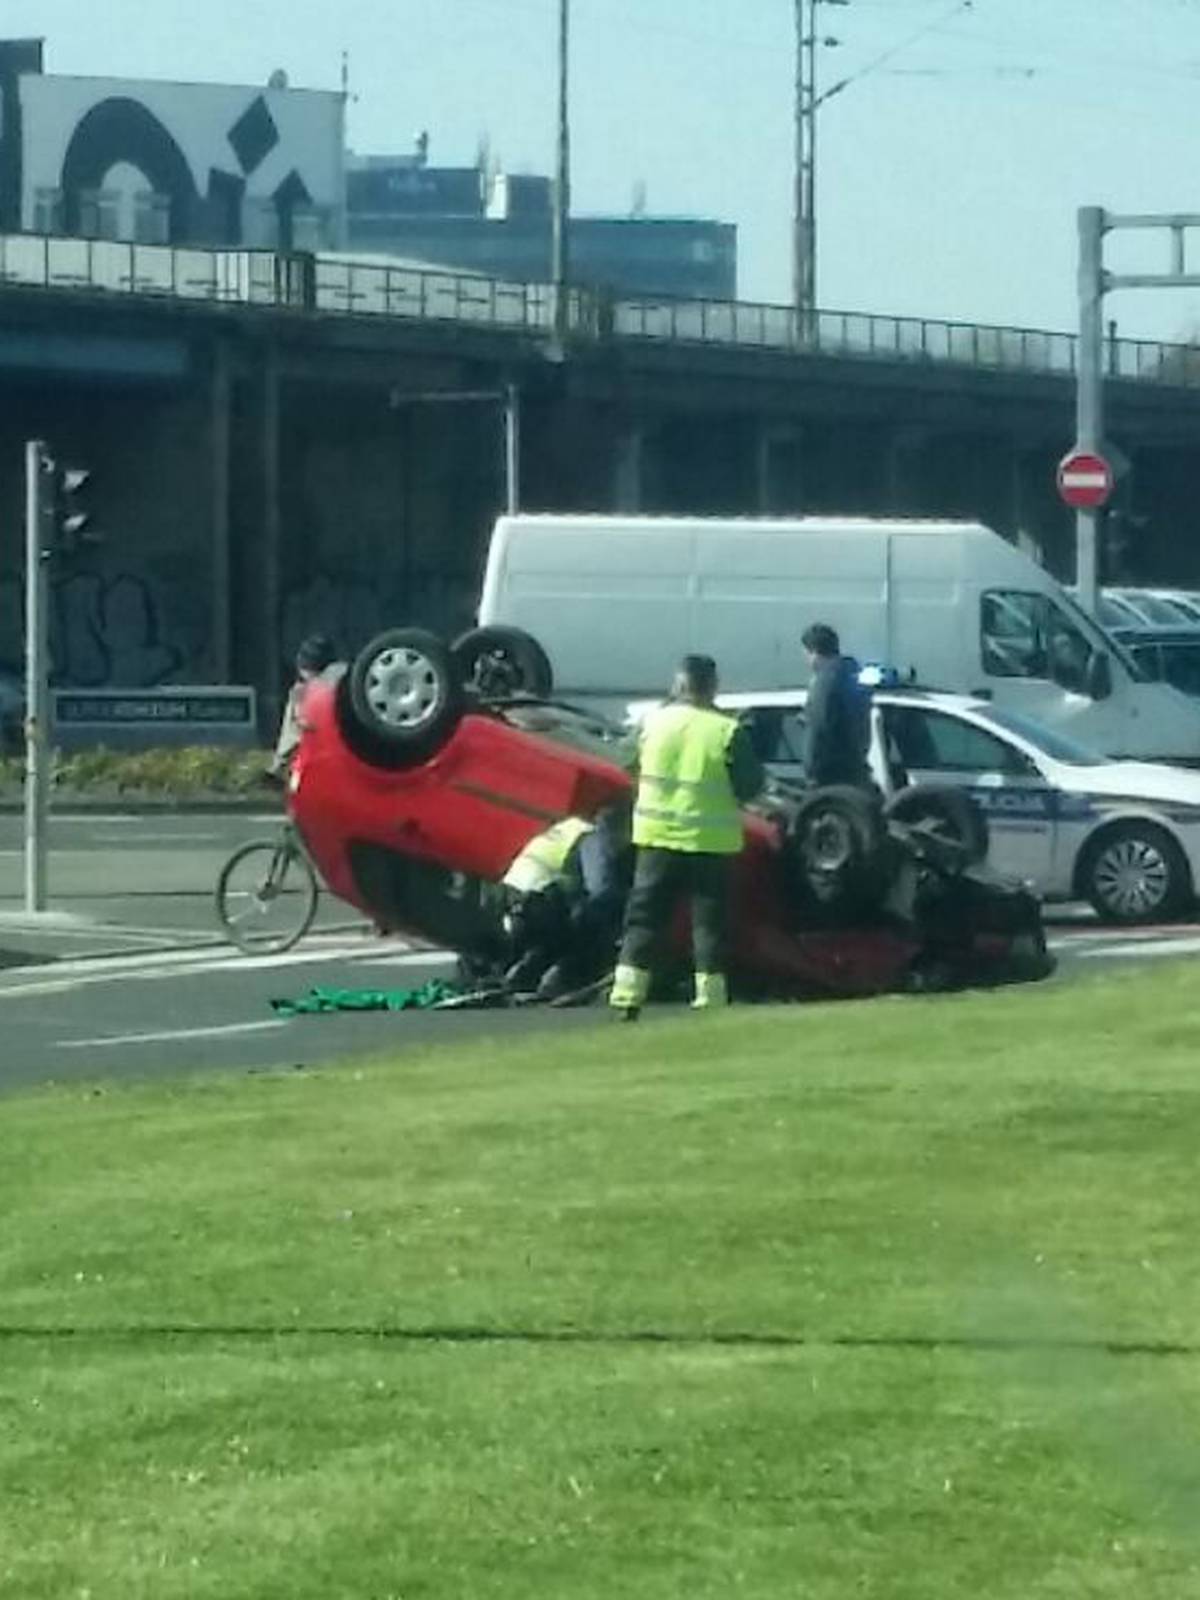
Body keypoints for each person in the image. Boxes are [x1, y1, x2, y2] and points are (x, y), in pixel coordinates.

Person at [609, 654, 764, 1019]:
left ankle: (627, 997)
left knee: (644, 918)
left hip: (657, 838)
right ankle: (709, 998)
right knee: (709, 923)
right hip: (709, 843)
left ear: (678, 684)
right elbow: (750, 785)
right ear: (713, 686)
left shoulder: (652, 724)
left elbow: (624, 760)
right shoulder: (726, 731)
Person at [500, 803, 630, 1001]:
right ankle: (566, 973)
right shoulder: (592, 835)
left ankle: (526, 970)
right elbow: (602, 890)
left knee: (573, 908)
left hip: (509, 901)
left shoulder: (562, 827)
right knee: (599, 912)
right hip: (538, 904)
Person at [801, 623, 872, 789]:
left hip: (830, 776)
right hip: (855, 771)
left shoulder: (825, 683)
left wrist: (812, 772)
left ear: (813, 652)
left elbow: (818, 728)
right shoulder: (851, 677)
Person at [271, 633, 340, 779]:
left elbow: (292, 737)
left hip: (314, 759)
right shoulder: (349, 684)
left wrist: (279, 764)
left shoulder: (302, 692)